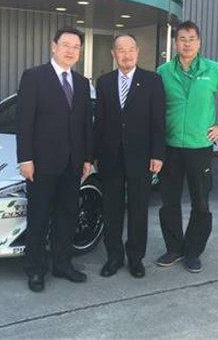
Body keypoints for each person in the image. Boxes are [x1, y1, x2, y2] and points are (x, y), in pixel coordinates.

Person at [156, 20, 218, 273]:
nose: (187, 44)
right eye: (182, 39)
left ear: (199, 42)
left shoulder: (212, 70)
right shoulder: (163, 72)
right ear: (175, 43)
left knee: (201, 202)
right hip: (170, 147)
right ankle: (174, 248)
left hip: (199, 147)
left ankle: (193, 251)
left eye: (191, 39)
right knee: (169, 201)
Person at [16, 27, 93, 292]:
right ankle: (35, 269)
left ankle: (62, 263)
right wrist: (25, 158)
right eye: (66, 44)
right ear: (54, 46)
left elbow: (85, 123)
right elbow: (24, 121)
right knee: (39, 217)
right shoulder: (34, 77)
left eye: (76, 46)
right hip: (41, 163)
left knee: (67, 215)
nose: (71, 50)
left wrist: (86, 158)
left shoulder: (82, 83)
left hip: (73, 163)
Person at [94, 34, 166, 278]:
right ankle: (113, 257)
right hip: (110, 157)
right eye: (121, 50)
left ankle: (136, 258)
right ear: (113, 54)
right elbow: (99, 121)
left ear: (137, 51)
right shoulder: (104, 82)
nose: (126, 54)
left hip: (141, 157)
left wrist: (158, 154)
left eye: (130, 49)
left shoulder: (152, 81)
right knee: (111, 210)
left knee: (138, 209)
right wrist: (95, 154)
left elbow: (158, 121)